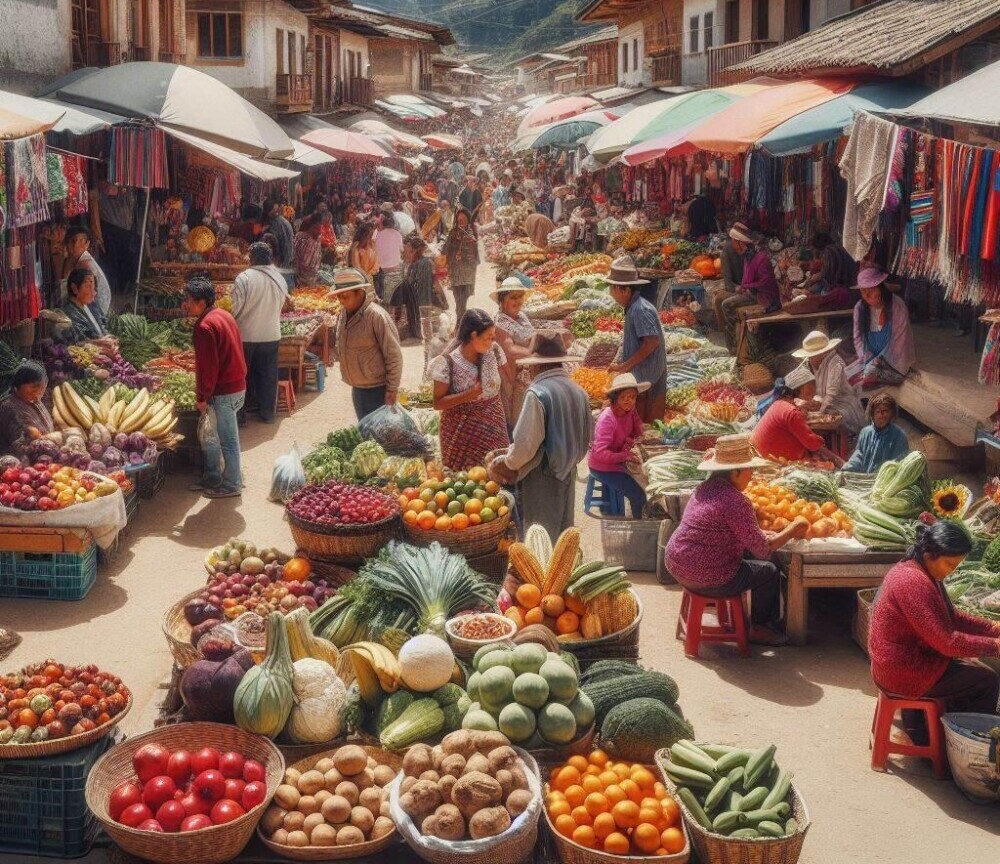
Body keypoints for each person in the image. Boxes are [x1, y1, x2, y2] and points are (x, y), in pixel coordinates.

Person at [666, 434, 810, 646]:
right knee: (769, 570)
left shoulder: (704, 488)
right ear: (735, 472)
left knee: (754, 556)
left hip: (677, 564)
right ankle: (758, 628)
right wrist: (793, 528)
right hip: (707, 575)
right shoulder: (736, 501)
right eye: (749, 470)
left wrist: (764, 534)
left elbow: (729, 531)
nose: (752, 475)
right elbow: (763, 550)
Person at [869, 520, 1000, 746]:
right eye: (950, 564)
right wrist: (995, 646)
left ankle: (926, 731)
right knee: (986, 680)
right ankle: (959, 747)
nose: (952, 571)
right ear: (931, 554)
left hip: (899, 662)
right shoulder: (913, 581)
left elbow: (952, 617)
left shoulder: (921, 570)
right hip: (902, 671)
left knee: (972, 671)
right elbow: (947, 642)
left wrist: (991, 628)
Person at [493, 330, 592, 541]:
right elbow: (585, 441)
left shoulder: (537, 393)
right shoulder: (579, 392)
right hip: (568, 472)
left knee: (540, 540)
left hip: (541, 476)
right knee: (563, 538)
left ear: (535, 365)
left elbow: (525, 446)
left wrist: (507, 463)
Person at [183, 277, 247, 499]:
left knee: (227, 438)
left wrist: (202, 396)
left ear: (201, 302)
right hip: (237, 386)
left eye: (189, 300)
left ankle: (232, 484)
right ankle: (212, 476)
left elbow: (208, 367)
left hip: (224, 391)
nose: (186, 304)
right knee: (212, 435)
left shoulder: (204, 326)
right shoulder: (224, 315)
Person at [431, 309, 511, 470]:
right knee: (465, 484)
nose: (491, 342)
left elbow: (509, 380)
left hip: (494, 428)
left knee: (499, 476)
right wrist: (470, 394)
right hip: (462, 436)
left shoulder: (494, 351)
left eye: (492, 337)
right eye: (487, 338)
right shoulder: (447, 363)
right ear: (474, 335)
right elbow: (437, 403)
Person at [230, 242, 292, 424]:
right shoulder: (280, 279)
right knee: (267, 374)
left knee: (241, 375)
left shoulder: (244, 278)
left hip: (246, 335)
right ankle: (267, 413)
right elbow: (281, 305)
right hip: (271, 333)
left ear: (252, 258)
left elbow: (236, 308)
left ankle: (240, 416)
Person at [331, 268, 402, 420]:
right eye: (338, 297)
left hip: (378, 390)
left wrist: (391, 390)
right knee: (366, 434)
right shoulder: (344, 314)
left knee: (379, 438)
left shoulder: (376, 317)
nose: (341, 301)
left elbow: (394, 356)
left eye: (345, 296)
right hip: (358, 389)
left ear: (360, 293)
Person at [607, 256, 667, 424]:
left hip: (648, 378)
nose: (611, 293)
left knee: (647, 426)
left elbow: (651, 342)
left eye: (612, 288)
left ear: (624, 290)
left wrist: (624, 366)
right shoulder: (633, 308)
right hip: (642, 376)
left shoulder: (640, 309)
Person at [751, 365, 842, 464]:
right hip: (770, 461)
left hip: (762, 454)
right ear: (798, 390)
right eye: (810, 385)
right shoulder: (792, 412)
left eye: (813, 384)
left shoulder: (780, 403)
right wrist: (837, 460)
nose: (814, 389)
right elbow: (812, 443)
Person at [588, 373, 648, 518]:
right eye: (624, 397)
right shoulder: (607, 419)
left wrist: (640, 435)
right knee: (639, 496)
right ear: (615, 398)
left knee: (644, 479)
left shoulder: (629, 410)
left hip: (618, 460)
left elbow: (637, 427)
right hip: (603, 467)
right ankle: (638, 528)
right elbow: (600, 453)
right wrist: (624, 455)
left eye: (632, 397)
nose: (629, 401)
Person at [791, 330, 865, 434]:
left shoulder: (835, 363)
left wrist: (819, 414)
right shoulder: (814, 364)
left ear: (822, 353)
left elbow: (831, 395)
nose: (810, 358)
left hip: (843, 407)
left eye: (812, 355)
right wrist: (814, 403)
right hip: (826, 405)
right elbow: (819, 391)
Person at [853, 267, 915, 389]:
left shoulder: (897, 306)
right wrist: (866, 358)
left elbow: (899, 342)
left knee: (865, 378)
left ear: (880, 288)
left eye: (870, 289)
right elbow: (857, 339)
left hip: (894, 362)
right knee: (846, 375)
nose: (866, 295)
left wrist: (877, 362)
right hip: (869, 359)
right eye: (863, 291)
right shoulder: (859, 308)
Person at [720, 233, 781, 354]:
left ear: (740, 243)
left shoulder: (761, 258)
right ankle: (736, 344)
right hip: (752, 292)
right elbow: (747, 278)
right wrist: (743, 287)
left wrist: (746, 286)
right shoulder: (747, 257)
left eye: (734, 243)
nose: (733, 247)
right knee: (723, 301)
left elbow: (765, 283)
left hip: (764, 297)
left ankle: (734, 347)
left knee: (726, 305)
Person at [492, 277, 534, 426]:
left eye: (520, 296)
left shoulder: (521, 316)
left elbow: (530, 337)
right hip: (510, 377)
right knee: (516, 419)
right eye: (513, 297)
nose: (518, 301)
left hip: (526, 373)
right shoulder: (500, 322)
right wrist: (535, 350)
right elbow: (510, 350)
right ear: (502, 301)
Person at [842, 392, 910, 473]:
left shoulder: (899, 436)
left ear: (892, 414)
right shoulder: (865, 433)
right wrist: (846, 469)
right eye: (878, 412)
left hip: (886, 481)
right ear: (872, 414)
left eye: (885, 411)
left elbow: (898, 465)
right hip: (865, 479)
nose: (882, 415)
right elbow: (858, 456)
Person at [0, 361, 53, 456]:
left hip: (44, 453)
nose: (38, 393)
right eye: (34, 387)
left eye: (41, 388)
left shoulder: (32, 399)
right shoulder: (8, 407)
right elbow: (17, 447)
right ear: (18, 385)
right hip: (17, 463)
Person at [390, 233, 435, 342]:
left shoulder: (421, 264)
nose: (406, 255)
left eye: (409, 252)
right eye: (405, 252)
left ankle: (397, 323)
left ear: (417, 251)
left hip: (421, 304)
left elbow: (420, 288)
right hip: (418, 305)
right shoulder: (418, 263)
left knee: (401, 287)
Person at [61, 227, 112, 316]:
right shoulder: (76, 260)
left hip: (97, 309)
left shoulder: (85, 265)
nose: (76, 245)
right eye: (72, 241)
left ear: (87, 244)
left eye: (80, 241)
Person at [443, 207, 479, 321]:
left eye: (464, 220)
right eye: (459, 220)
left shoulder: (472, 233)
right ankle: (460, 321)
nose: (461, 222)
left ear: (468, 220)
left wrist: (465, 248)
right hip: (455, 272)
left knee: (463, 301)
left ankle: (459, 323)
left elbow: (474, 256)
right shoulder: (453, 232)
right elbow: (445, 250)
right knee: (458, 300)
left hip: (467, 273)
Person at [713, 224, 750, 333]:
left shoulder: (749, 251)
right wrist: (738, 288)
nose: (744, 246)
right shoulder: (727, 252)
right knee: (718, 298)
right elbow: (728, 282)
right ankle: (726, 332)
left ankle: (728, 334)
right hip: (740, 288)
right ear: (735, 241)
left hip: (750, 291)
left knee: (719, 299)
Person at [61, 268, 108, 341]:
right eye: (88, 287)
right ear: (74, 288)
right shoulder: (69, 313)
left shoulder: (92, 304)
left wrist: (109, 337)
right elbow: (81, 340)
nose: (93, 293)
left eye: (93, 287)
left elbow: (104, 323)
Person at [807, 231, 857, 296]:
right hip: (846, 283)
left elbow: (829, 274)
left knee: (818, 291)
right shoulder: (836, 248)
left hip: (844, 286)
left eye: (813, 247)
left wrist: (817, 278)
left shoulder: (830, 251)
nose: (813, 249)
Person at [374, 213, 403, 303]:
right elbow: (401, 250)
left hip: (381, 268)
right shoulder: (398, 234)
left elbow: (375, 250)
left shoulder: (377, 234)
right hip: (395, 267)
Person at [293, 215, 323, 286]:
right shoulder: (303, 239)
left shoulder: (315, 239)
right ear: (311, 228)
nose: (320, 232)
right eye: (317, 229)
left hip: (312, 279)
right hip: (302, 280)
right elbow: (306, 265)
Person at [267, 201, 295, 269]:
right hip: (287, 258)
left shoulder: (276, 223)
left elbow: (277, 245)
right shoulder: (282, 221)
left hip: (281, 261)